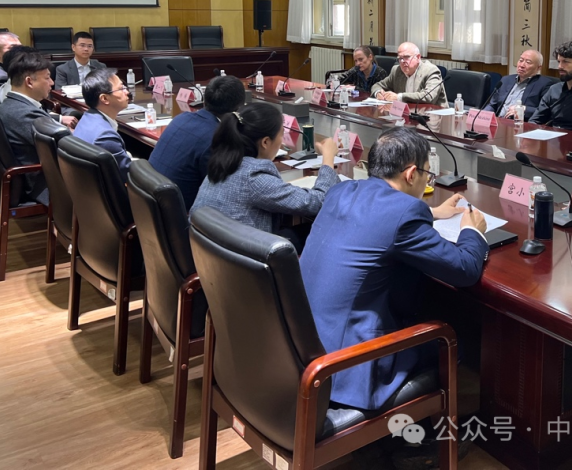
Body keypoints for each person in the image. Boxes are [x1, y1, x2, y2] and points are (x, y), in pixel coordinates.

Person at [300, 126, 488, 411]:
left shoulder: (340, 191)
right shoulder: (405, 212)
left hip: (305, 347)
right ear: (411, 174)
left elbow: (378, 216)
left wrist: (433, 213)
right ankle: (425, 434)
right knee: (456, 338)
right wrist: (472, 232)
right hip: (348, 365)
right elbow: (465, 270)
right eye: (427, 175)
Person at [190, 100, 339, 246]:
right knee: (326, 231)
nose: (283, 142)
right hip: (244, 256)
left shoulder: (222, 162)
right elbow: (318, 202)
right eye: (281, 135)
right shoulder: (253, 177)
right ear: (265, 142)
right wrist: (328, 158)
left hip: (211, 252)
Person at [148, 75, 247, 210]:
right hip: (183, 215)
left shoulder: (181, 118)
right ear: (239, 108)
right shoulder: (217, 138)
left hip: (153, 206)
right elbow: (222, 190)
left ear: (205, 100)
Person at [0, 48, 75, 204]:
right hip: (45, 185)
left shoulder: (10, 105)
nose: (52, 83)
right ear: (29, 82)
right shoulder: (24, 114)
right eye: (47, 78)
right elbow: (67, 149)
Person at [73, 68, 133, 183]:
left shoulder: (87, 118)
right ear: (104, 98)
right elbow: (128, 175)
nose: (127, 92)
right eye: (121, 88)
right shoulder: (105, 137)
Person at [371, 42, 447, 107]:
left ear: (418, 57)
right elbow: (377, 85)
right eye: (400, 58)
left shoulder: (430, 71)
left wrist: (399, 97)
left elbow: (429, 97)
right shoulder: (397, 70)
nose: (402, 61)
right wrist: (378, 93)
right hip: (407, 114)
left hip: (433, 116)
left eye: (407, 57)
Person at [487, 49, 551, 120]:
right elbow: (492, 105)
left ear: (538, 68)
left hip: (519, 123)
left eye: (528, 62)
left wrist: (522, 109)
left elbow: (545, 111)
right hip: (498, 121)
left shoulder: (544, 84)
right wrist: (482, 115)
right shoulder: (506, 80)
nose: (522, 65)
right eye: (521, 60)